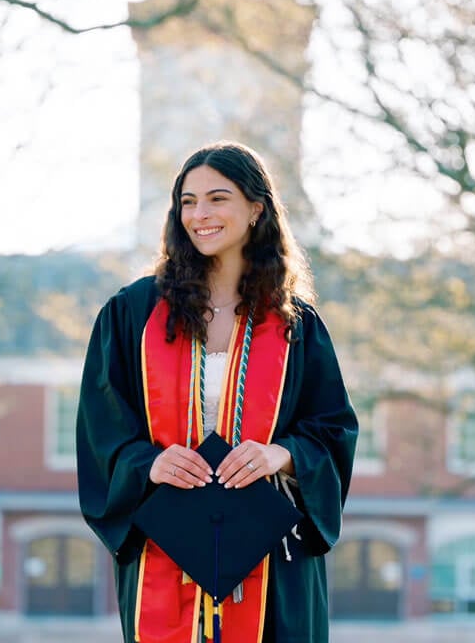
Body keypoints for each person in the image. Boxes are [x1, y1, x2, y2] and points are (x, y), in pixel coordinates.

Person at [76, 141, 358, 643]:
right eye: (188, 201)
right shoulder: (132, 316)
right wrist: (147, 464)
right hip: (167, 548)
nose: (199, 214)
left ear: (256, 209)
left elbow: (333, 429)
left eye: (217, 198)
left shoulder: (297, 325)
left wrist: (281, 454)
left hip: (271, 557)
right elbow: (101, 428)